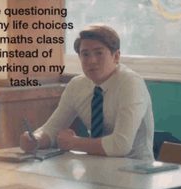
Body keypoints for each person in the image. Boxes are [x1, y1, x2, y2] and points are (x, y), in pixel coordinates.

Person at [20, 24, 154, 161]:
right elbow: (52, 129)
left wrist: (73, 142)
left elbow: (121, 145)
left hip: (137, 170)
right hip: (95, 167)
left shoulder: (131, 83)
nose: (91, 61)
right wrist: (35, 139)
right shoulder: (76, 85)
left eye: (99, 53)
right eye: (85, 54)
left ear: (116, 56)